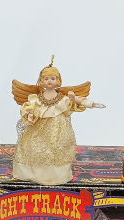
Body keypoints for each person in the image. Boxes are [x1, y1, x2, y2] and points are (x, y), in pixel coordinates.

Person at [12, 56, 105, 185]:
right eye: (46, 79)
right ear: (41, 81)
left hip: (57, 129)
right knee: (35, 147)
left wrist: (87, 103)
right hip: (38, 129)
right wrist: (30, 115)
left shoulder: (62, 98)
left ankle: (55, 175)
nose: (49, 81)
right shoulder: (37, 98)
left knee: (56, 149)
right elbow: (30, 107)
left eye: (52, 78)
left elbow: (76, 102)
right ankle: (32, 173)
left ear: (58, 81)